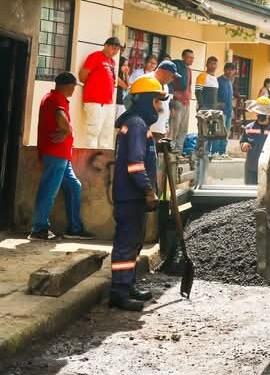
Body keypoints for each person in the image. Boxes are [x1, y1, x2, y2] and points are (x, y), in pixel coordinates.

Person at [110, 75, 167, 311]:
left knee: (134, 244)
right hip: (131, 196)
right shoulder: (136, 125)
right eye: (156, 101)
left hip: (133, 197)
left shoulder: (137, 124)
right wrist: (148, 190)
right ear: (145, 100)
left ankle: (129, 284)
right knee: (126, 245)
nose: (160, 107)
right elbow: (135, 164)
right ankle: (119, 292)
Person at [29, 72, 93, 241]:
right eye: (73, 86)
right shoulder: (56, 99)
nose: (73, 90)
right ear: (67, 85)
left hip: (62, 154)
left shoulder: (52, 98)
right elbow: (60, 116)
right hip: (55, 153)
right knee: (49, 190)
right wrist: (68, 130)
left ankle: (75, 227)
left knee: (74, 186)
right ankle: (39, 229)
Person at [78, 36, 122, 148]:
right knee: (93, 132)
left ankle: (102, 163)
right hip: (95, 101)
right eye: (113, 48)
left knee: (106, 135)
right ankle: (90, 162)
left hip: (108, 103)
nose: (115, 51)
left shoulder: (112, 61)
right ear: (106, 46)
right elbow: (82, 76)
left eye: (117, 49)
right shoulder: (95, 56)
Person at [240, 97, 270, 185]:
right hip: (251, 168)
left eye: (263, 112)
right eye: (259, 112)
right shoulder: (248, 127)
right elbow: (242, 142)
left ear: (268, 113)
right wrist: (244, 145)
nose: (261, 115)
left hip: (269, 169)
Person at [168, 49, 194, 147]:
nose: (192, 60)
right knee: (174, 128)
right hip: (177, 102)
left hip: (186, 103)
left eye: (193, 58)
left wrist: (190, 94)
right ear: (183, 57)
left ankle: (178, 152)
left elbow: (189, 84)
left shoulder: (189, 70)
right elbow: (170, 82)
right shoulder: (177, 67)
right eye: (190, 57)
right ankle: (170, 152)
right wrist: (174, 95)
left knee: (184, 128)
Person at [213, 62, 236, 157]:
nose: (230, 72)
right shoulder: (218, 80)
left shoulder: (230, 82)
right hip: (221, 112)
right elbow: (214, 95)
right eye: (228, 69)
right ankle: (215, 152)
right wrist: (217, 104)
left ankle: (223, 152)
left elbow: (230, 97)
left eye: (232, 70)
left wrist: (232, 110)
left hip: (229, 111)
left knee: (226, 133)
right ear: (224, 69)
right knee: (219, 132)